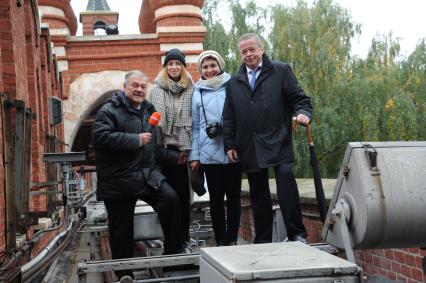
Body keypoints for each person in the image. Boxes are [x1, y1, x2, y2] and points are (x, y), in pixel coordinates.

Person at [92, 70, 183, 281]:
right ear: (124, 87)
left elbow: (151, 148)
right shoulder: (109, 110)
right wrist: (134, 140)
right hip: (119, 179)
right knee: (121, 230)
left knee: (171, 201)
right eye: (135, 85)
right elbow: (100, 139)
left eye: (143, 86)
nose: (139, 89)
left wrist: (175, 157)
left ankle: (172, 257)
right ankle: (125, 275)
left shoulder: (149, 110)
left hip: (147, 176)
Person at [223, 33, 313, 244]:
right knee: (258, 194)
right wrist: (230, 144)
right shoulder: (234, 82)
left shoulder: (280, 71)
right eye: (244, 51)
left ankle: (297, 234)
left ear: (261, 50)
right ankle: (262, 240)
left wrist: (303, 114)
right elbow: (228, 116)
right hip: (249, 144)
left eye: (252, 49)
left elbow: (300, 99)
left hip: (278, 139)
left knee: (285, 181)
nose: (248, 54)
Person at [189, 50, 242, 246]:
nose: (209, 70)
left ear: (220, 66)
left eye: (213, 65)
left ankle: (233, 238)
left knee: (234, 197)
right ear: (200, 69)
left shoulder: (233, 85)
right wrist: (194, 156)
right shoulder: (196, 92)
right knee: (216, 199)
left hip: (232, 151)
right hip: (208, 154)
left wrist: (237, 143)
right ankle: (221, 240)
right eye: (205, 67)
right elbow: (195, 127)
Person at [149, 49, 194, 252]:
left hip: (185, 150)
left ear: (183, 67)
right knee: (168, 199)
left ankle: (183, 239)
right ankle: (170, 241)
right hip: (164, 152)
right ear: (165, 67)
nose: (174, 67)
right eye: (170, 63)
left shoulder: (191, 88)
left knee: (184, 199)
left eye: (178, 63)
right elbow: (150, 122)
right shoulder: (156, 90)